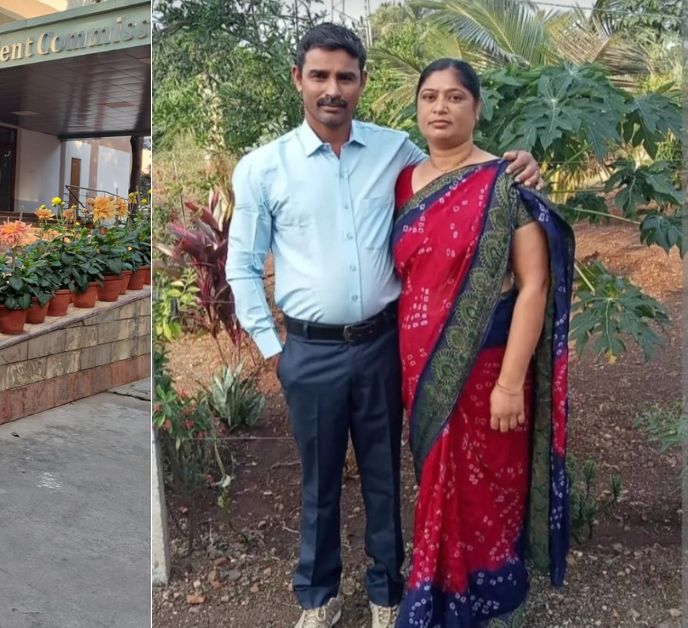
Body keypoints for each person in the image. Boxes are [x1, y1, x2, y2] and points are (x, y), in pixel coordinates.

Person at [224, 24, 541, 628]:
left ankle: (387, 591)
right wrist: (273, 349)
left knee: (384, 476)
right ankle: (318, 598)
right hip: (309, 352)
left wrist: (518, 164)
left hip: (383, 345)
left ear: (362, 84)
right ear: (299, 80)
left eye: (345, 77)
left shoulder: (396, 152)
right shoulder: (264, 167)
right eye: (319, 75)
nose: (332, 89)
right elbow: (241, 266)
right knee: (317, 484)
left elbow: (463, 174)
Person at [391, 59, 572, 628]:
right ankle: (436, 588)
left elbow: (533, 285)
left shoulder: (506, 181)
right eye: (429, 97)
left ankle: (493, 599)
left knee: (488, 477)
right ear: (417, 107)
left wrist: (511, 383)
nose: (440, 108)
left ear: (477, 107)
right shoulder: (404, 180)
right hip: (418, 363)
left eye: (454, 97)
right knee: (436, 478)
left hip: (487, 365)